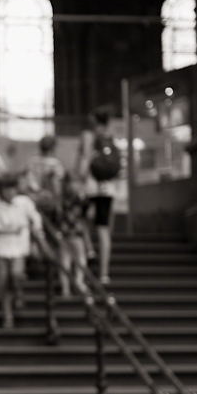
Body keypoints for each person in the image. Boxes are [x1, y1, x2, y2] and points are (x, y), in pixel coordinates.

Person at [0, 172, 49, 327]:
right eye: (6, 188)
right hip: (0, 249)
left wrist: (38, 235)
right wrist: (10, 230)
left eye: (12, 188)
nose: (9, 192)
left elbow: (35, 219)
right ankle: (7, 316)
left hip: (19, 248)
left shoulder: (24, 202)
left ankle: (19, 293)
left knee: (16, 274)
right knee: (2, 281)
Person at [77, 108, 120, 284]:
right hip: (107, 187)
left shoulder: (88, 135)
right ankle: (104, 274)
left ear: (94, 119)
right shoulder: (110, 136)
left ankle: (88, 249)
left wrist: (79, 177)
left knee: (78, 217)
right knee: (103, 228)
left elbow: (86, 157)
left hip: (90, 185)